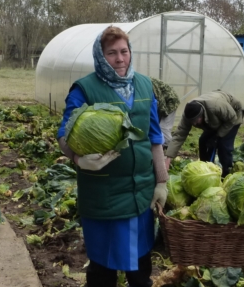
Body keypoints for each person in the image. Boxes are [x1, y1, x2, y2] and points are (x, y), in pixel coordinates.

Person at [56, 26, 168, 287]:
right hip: (102, 195)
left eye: (124, 51)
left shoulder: (144, 85)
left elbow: (154, 137)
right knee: (102, 268)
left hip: (139, 193)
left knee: (141, 268)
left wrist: (161, 181)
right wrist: (77, 158)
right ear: (100, 55)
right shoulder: (85, 89)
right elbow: (64, 133)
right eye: (111, 53)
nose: (120, 59)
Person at [164, 90, 244, 177]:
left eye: (196, 121)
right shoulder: (188, 114)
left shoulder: (216, 106)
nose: (194, 124)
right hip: (215, 119)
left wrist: (217, 136)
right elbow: (179, 135)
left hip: (233, 114)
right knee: (203, 141)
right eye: (191, 122)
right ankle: (204, 168)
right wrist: (168, 158)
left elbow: (232, 118)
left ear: (201, 114)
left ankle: (227, 173)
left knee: (223, 145)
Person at [150, 76, 180, 150]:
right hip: (162, 103)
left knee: (164, 127)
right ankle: (161, 147)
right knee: (157, 127)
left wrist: (162, 116)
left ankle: (170, 149)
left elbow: (161, 103)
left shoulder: (149, 86)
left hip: (170, 102)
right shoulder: (140, 84)